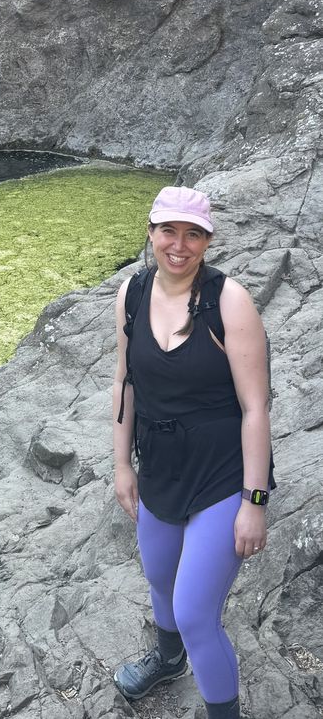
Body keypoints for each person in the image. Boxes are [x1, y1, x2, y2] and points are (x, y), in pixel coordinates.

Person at [111, 186, 275, 719]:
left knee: (195, 610)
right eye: (169, 231)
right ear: (152, 232)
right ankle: (167, 658)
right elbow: (125, 382)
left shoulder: (229, 301)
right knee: (160, 577)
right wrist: (121, 464)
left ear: (207, 241)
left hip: (221, 474)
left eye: (193, 234)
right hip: (159, 464)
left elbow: (255, 408)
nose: (179, 245)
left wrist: (254, 500)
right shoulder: (132, 293)